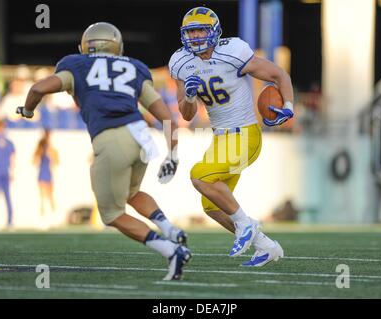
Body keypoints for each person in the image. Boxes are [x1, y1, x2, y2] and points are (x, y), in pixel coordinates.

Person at [16, 22, 191, 280]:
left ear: (86, 46)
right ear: (117, 46)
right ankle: (170, 229)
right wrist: (173, 153)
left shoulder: (75, 65)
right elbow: (167, 118)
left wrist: (28, 110)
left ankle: (170, 250)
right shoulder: (134, 68)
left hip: (112, 137)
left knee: (112, 214)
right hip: (141, 136)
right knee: (131, 193)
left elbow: (38, 88)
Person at [169, 7, 294, 266]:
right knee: (211, 205)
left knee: (199, 175)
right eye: (191, 31)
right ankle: (266, 246)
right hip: (220, 139)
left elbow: (278, 74)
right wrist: (190, 96)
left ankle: (245, 224)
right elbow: (187, 113)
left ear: (214, 31)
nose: (195, 36)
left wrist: (289, 107)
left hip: (245, 135)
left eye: (201, 29)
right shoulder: (180, 62)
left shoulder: (233, 51)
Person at [33, 129, 59, 216]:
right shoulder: (40, 148)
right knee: (42, 197)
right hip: (42, 173)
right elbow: (34, 161)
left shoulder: (52, 149)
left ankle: (53, 214)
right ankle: (43, 215)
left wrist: (51, 155)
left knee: (50, 196)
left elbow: (56, 161)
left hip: (48, 173)